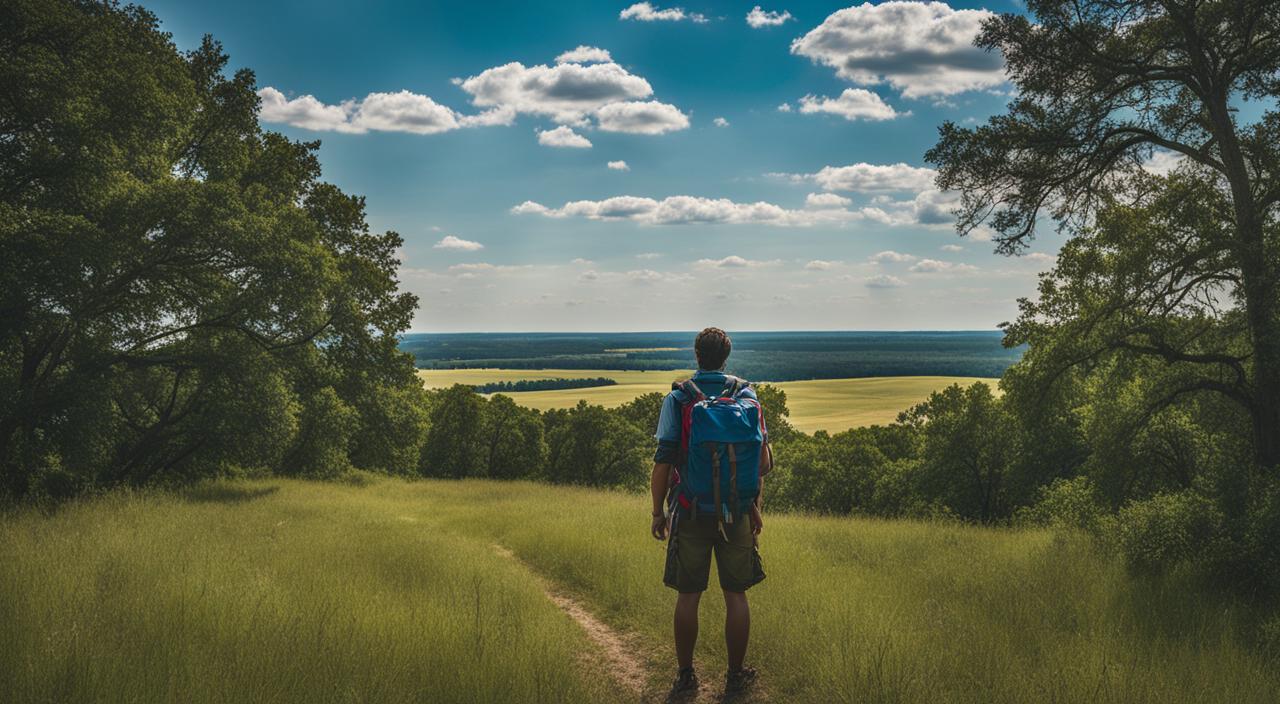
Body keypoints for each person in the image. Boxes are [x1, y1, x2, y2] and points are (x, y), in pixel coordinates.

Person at [650, 327, 770, 702]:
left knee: (689, 595)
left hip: (690, 510)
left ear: (697, 354)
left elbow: (663, 463)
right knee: (736, 595)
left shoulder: (679, 398)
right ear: (727, 355)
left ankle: (686, 677)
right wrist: (753, 506)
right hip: (736, 512)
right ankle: (736, 677)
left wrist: (658, 513)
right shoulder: (747, 396)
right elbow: (762, 464)